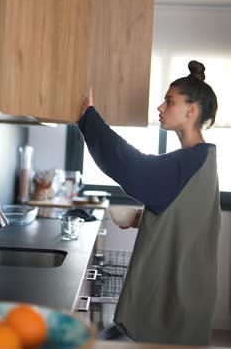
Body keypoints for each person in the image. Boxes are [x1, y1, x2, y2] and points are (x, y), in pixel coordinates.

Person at [78, 60, 221, 346]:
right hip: (191, 290)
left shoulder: (189, 161)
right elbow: (189, 216)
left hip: (178, 295)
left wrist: (90, 118)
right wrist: (147, 219)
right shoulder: (203, 159)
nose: (160, 107)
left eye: (169, 101)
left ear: (191, 110)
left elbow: (131, 167)